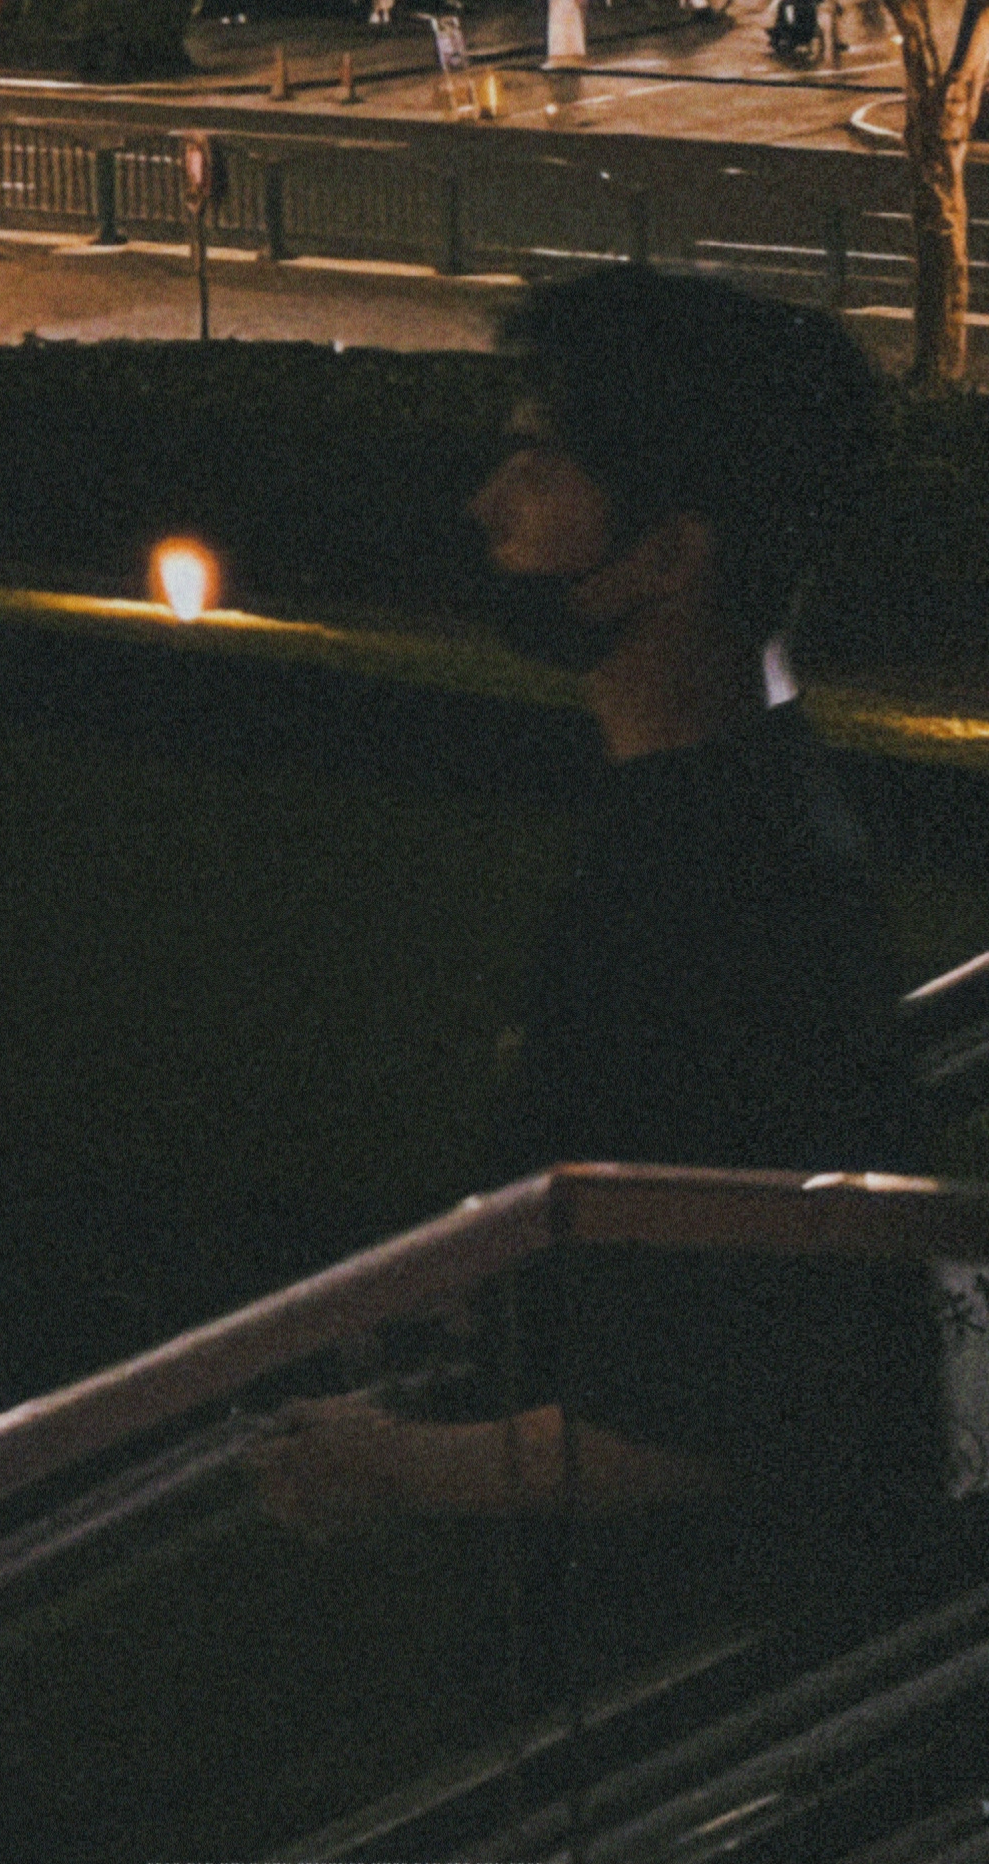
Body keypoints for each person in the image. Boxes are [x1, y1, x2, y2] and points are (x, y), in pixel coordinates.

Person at [244, 270, 948, 1604]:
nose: (487, 505)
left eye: (538, 462)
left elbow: (717, 1415)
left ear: (673, 552)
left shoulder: (716, 889)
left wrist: (391, 1463)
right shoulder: (740, 813)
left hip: (688, 1625)